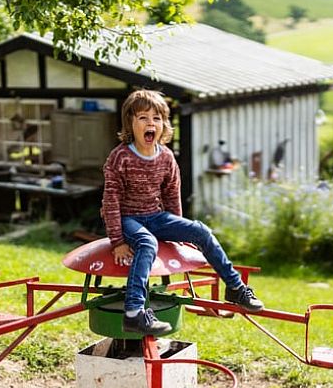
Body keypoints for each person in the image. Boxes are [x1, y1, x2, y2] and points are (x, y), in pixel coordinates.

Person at [102, 89, 264, 336]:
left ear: (163, 125)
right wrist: (117, 240)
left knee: (201, 230)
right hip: (128, 218)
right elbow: (111, 200)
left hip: (156, 217)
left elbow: (171, 194)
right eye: (143, 118)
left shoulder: (166, 157)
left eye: (156, 118)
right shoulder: (120, 157)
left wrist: (177, 231)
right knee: (146, 243)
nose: (150, 123)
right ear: (130, 123)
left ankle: (235, 288)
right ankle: (134, 312)